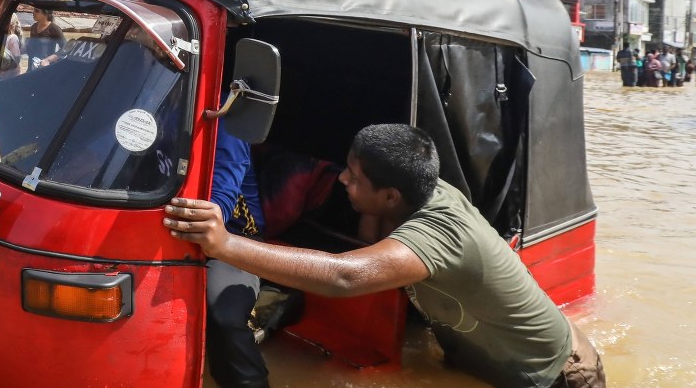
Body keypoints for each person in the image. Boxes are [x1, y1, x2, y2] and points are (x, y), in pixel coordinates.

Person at [165, 124, 605, 388]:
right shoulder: (418, 195)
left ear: (390, 194)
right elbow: (370, 247)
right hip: (486, 358)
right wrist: (368, 208)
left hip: (557, 377)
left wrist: (223, 243)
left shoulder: (439, 231)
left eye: (354, 178)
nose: (340, 180)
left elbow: (345, 277)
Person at [204, 120, 269, 388]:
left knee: (224, 317)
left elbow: (221, 200)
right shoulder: (146, 97)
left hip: (233, 237)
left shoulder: (227, 119)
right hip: (167, 225)